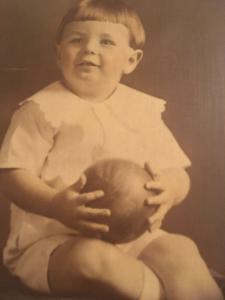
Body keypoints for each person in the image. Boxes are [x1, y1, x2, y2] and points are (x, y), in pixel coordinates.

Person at [0, 0, 222, 299]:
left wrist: (170, 190)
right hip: (55, 242)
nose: (89, 49)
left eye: (106, 41)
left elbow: (176, 171)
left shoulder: (141, 111)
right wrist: (55, 205)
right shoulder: (41, 110)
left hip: (132, 237)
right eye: (76, 39)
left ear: (131, 60)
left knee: (180, 249)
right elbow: (13, 176)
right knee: (92, 260)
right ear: (58, 52)